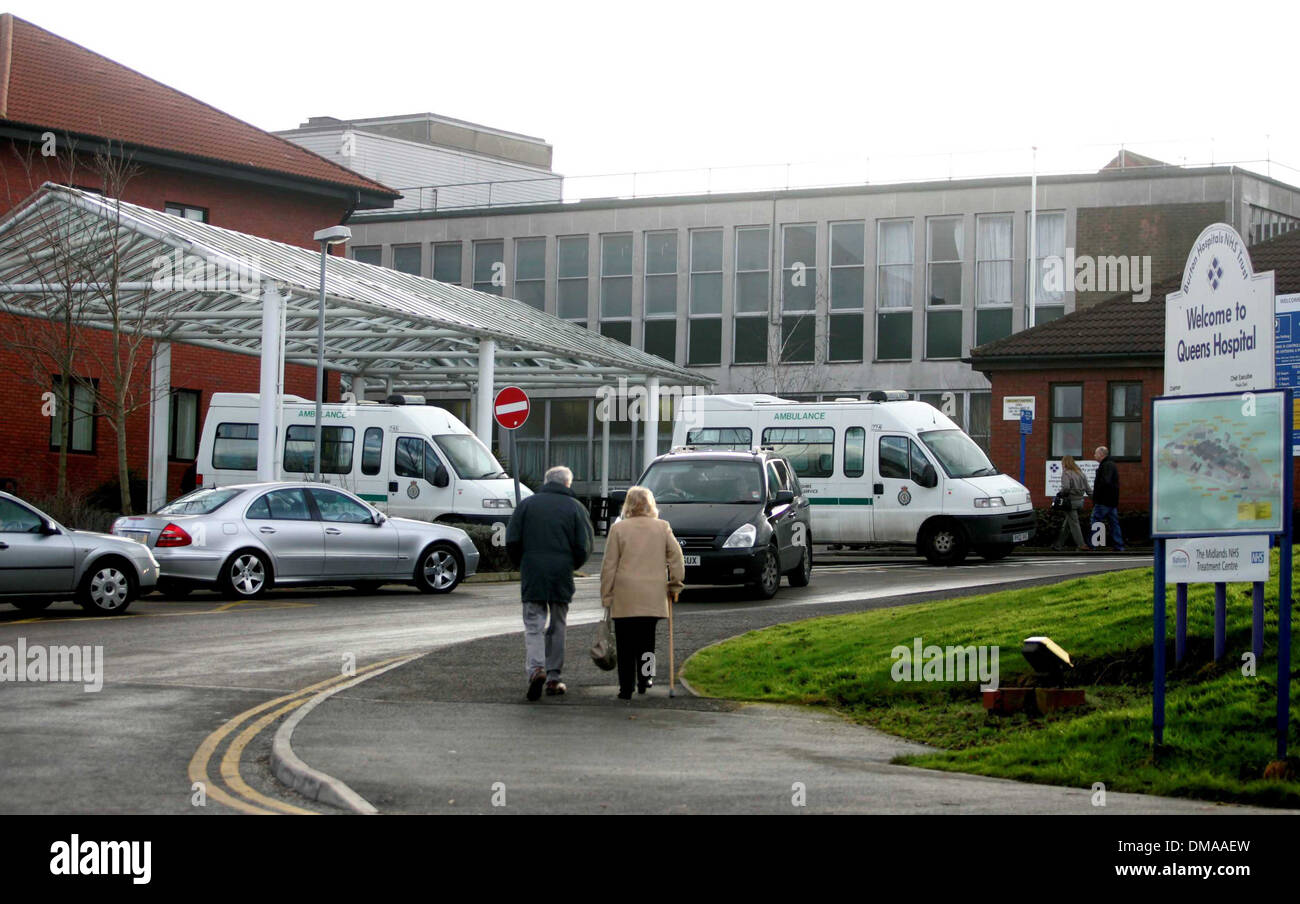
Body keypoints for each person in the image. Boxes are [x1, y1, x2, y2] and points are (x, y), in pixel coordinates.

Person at [506, 465, 595, 701]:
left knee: (534, 625)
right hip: (561, 574)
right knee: (558, 626)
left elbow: (513, 540)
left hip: (533, 572)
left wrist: (523, 563)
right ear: (568, 484)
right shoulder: (576, 508)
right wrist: (571, 565)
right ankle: (554, 678)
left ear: (546, 482)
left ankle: (536, 669)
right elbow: (584, 546)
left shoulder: (526, 505)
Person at [599, 486, 685, 700]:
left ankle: (625, 687)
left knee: (625, 643)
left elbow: (609, 565)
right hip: (653, 594)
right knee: (647, 640)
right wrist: (675, 584)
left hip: (625, 594)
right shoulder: (662, 527)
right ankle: (646, 677)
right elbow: (676, 558)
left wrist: (606, 594)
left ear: (627, 505)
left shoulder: (618, 529)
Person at [1051, 455, 1091, 551]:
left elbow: (1066, 488)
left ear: (1064, 463)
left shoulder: (1066, 473)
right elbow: (1088, 489)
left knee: (1074, 524)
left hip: (1070, 503)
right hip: (1080, 502)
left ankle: (1081, 545)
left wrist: (1060, 494)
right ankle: (1058, 545)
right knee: (1069, 523)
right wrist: (1095, 499)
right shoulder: (1080, 473)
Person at [1090, 445, 1125, 552]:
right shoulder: (1111, 465)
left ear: (1101, 454)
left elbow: (1106, 482)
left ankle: (1093, 545)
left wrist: (1098, 496)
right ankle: (1118, 545)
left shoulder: (1105, 465)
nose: (1094, 455)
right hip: (1112, 501)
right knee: (1114, 523)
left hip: (1103, 501)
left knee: (1095, 521)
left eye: (1096, 453)